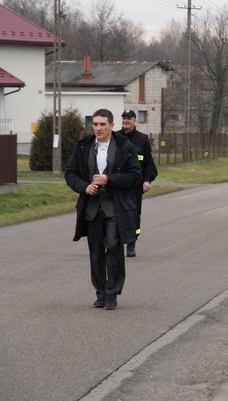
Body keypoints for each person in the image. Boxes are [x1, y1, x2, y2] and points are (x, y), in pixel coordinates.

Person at [64, 109, 142, 310]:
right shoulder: (84, 146)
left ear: (111, 126)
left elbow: (135, 176)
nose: (98, 128)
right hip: (92, 207)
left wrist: (110, 179)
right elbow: (70, 173)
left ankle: (112, 293)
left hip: (116, 207)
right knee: (96, 252)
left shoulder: (125, 147)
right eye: (95, 124)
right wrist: (84, 187)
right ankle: (100, 292)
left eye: (102, 124)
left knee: (113, 247)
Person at [118, 109, 158, 257]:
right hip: (118, 185)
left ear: (135, 121)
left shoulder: (142, 139)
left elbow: (149, 163)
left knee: (133, 215)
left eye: (129, 119)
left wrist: (147, 180)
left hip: (135, 186)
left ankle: (131, 243)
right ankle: (116, 242)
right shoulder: (115, 137)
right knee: (116, 214)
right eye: (124, 118)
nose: (126, 121)